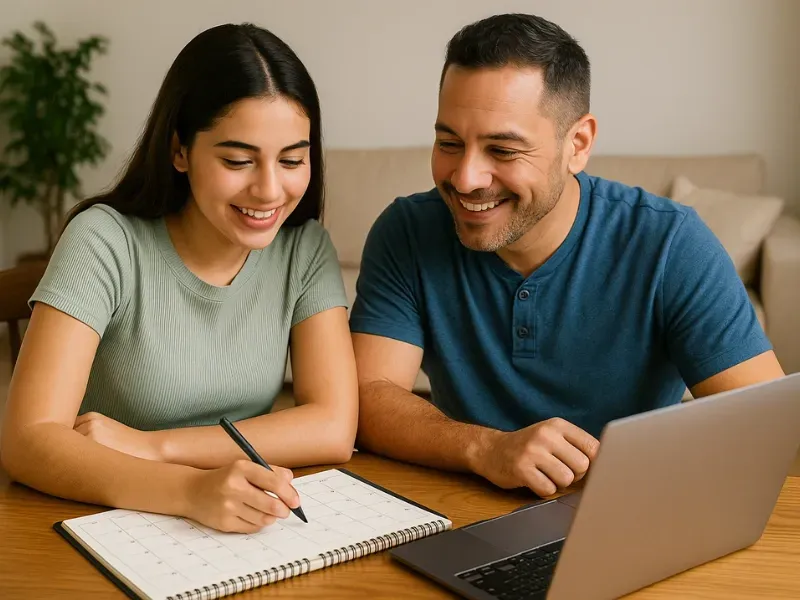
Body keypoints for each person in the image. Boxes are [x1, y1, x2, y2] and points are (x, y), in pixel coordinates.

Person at [349, 13, 785, 499]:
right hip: (462, 503)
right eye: (449, 143)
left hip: (632, 508)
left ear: (577, 145)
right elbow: (368, 398)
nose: (466, 178)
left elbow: (762, 428)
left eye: (503, 150)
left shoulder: (671, 243)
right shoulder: (406, 231)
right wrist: (486, 449)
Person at [0, 23, 358, 534]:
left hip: (230, 518)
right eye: (238, 160)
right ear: (180, 151)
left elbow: (333, 426)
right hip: (90, 516)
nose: (269, 190)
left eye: (292, 159)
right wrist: (188, 490)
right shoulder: (104, 241)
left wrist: (157, 446)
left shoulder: (304, 248)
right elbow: (28, 438)